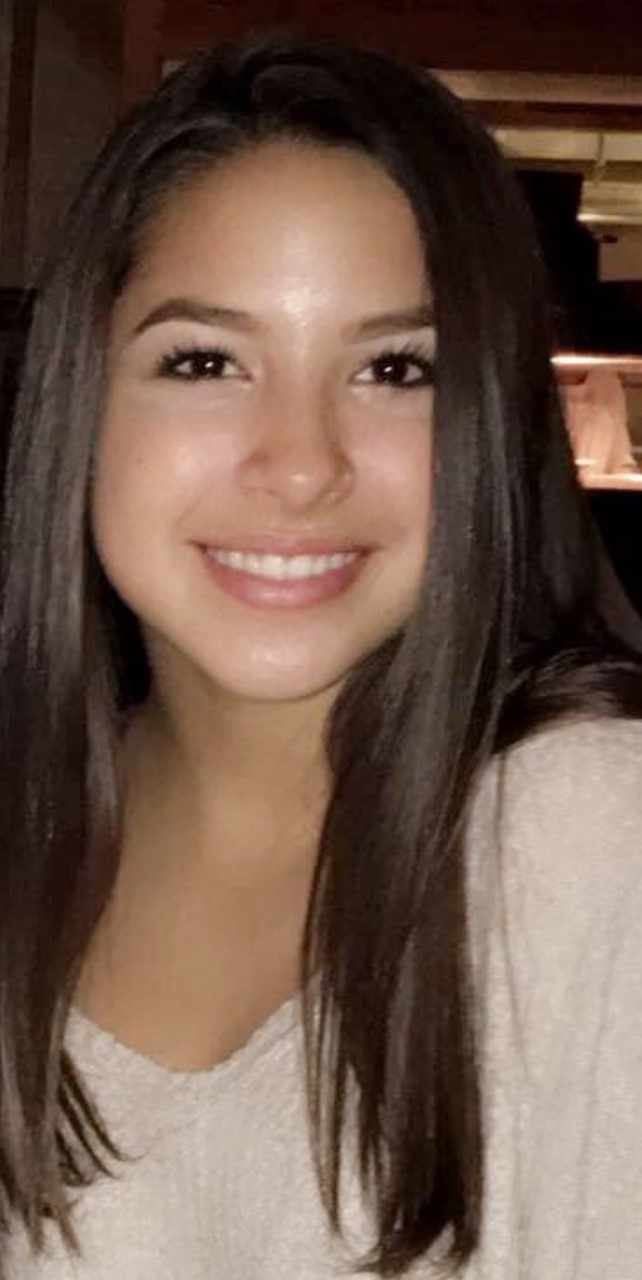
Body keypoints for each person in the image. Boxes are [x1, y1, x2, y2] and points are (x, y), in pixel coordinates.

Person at [0, 30, 641, 1280]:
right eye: (205, 361)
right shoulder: (27, 834)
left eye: (395, 368)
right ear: (82, 400)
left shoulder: (589, 835)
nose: (301, 464)